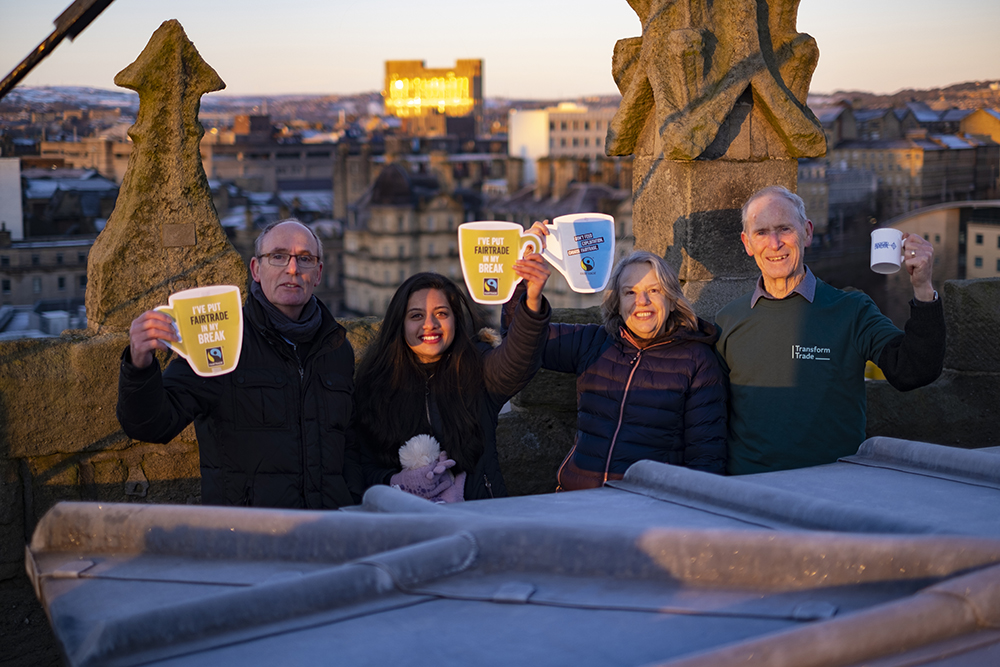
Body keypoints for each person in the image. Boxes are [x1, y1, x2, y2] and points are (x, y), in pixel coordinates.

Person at [117, 219, 361, 508]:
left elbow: (348, 444)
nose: (293, 269)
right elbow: (151, 425)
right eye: (279, 256)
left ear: (318, 273)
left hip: (328, 531)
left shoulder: (337, 348)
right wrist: (139, 362)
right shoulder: (220, 340)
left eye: (305, 259)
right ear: (256, 270)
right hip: (249, 535)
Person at [715, 186, 946, 475]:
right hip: (748, 490)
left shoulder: (852, 310)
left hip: (834, 490)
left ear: (807, 232)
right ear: (747, 243)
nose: (774, 243)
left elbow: (914, 370)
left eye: (784, 228)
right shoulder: (727, 321)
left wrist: (923, 287)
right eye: (761, 232)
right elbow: (710, 416)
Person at [506, 242, 728, 490]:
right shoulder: (595, 342)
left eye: (653, 290)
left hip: (646, 507)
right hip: (579, 498)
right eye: (629, 292)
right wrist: (525, 281)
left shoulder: (697, 360)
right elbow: (523, 341)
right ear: (617, 303)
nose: (641, 301)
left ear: (672, 299)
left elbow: (706, 457)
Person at [355, 253, 552, 502]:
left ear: (456, 321)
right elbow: (363, 466)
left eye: (441, 313)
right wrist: (395, 483)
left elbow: (517, 363)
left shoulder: (478, 369)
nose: (430, 324)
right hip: (404, 523)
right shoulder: (376, 383)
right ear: (400, 324)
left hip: (479, 517)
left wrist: (531, 298)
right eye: (416, 315)